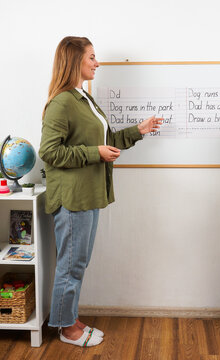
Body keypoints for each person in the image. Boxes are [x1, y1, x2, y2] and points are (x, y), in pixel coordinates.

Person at [39, 36, 163, 347]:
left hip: (89, 194)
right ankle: (67, 329)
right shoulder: (62, 102)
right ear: (74, 61)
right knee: (71, 263)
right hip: (72, 198)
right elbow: (50, 152)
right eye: (92, 57)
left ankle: (70, 318)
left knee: (77, 263)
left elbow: (105, 142)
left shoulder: (84, 99)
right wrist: (95, 153)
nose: (98, 63)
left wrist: (139, 130)